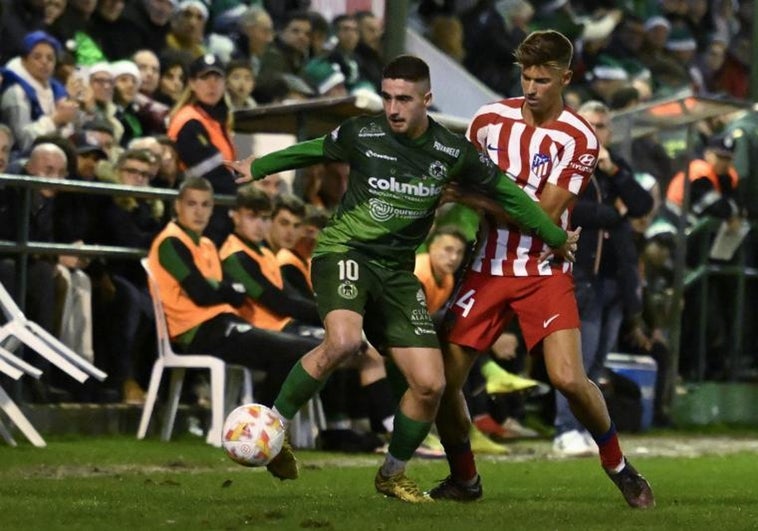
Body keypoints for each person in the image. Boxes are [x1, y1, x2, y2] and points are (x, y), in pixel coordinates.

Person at [226, 54, 576, 503]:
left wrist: (554, 236)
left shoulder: (452, 152)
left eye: (404, 99)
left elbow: (508, 192)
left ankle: (392, 473)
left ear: (426, 100)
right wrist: (258, 167)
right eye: (388, 97)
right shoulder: (363, 132)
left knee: (431, 384)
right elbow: (314, 148)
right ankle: (272, 429)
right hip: (345, 252)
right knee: (345, 341)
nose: (393, 108)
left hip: (396, 272)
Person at [432, 30, 655, 509]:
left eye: (542, 79)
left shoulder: (578, 138)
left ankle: (618, 465)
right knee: (442, 384)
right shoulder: (489, 120)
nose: (531, 88)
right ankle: (465, 478)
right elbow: (460, 174)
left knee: (570, 379)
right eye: (526, 77)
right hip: (486, 268)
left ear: (565, 78)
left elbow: (543, 216)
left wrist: (470, 197)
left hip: (542, 269)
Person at [167, 53, 238, 246]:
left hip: (215, 208)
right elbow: (213, 175)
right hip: (199, 210)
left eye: (217, 78)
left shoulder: (215, 121)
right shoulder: (189, 121)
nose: (212, 84)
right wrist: (242, 195)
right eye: (205, 78)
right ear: (191, 83)